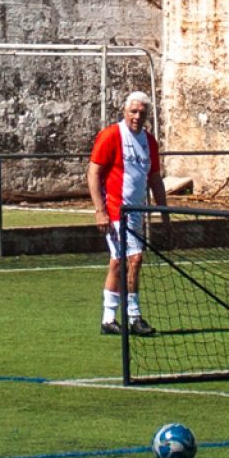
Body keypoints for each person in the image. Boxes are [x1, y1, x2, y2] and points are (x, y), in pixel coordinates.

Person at [88, 90, 169, 336]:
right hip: (115, 212)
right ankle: (134, 316)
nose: (136, 116)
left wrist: (164, 212)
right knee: (134, 259)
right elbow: (93, 173)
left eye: (141, 113)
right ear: (124, 111)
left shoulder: (149, 142)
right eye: (133, 111)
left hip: (136, 213)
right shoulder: (112, 135)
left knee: (118, 262)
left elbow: (155, 179)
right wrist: (99, 210)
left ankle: (108, 318)